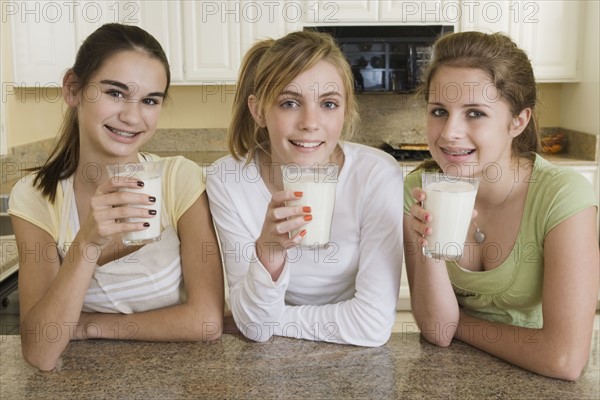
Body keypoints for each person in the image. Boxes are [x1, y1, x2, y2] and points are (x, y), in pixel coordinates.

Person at [8, 23, 224, 371]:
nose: (132, 116)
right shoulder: (36, 198)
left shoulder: (179, 179)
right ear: (73, 89)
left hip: (183, 379)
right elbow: (41, 352)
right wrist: (89, 241)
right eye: (115, 93)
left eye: (150, 100)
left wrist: (89, 325)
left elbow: (207, 320)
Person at [403, 31, 599, 380]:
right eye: (439, 111)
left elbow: (564, 359)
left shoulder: (561, 197)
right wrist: (430, 251)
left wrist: (459, 324)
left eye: (475, 113)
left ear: (517, 121)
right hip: (447, 377)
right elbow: (436, 330)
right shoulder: (420, 189)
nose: (449, 132)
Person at [206, 31, 404, 346]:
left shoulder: (377, 175)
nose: (310, 122)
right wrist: (269, 252)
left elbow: (371, 325)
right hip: (276, 359)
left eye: (328, 103)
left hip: (349, 359)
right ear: (258, 111)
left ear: (345, 110)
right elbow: (255, 328)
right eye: (289, 103)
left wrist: (269, 322)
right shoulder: (228, 180)